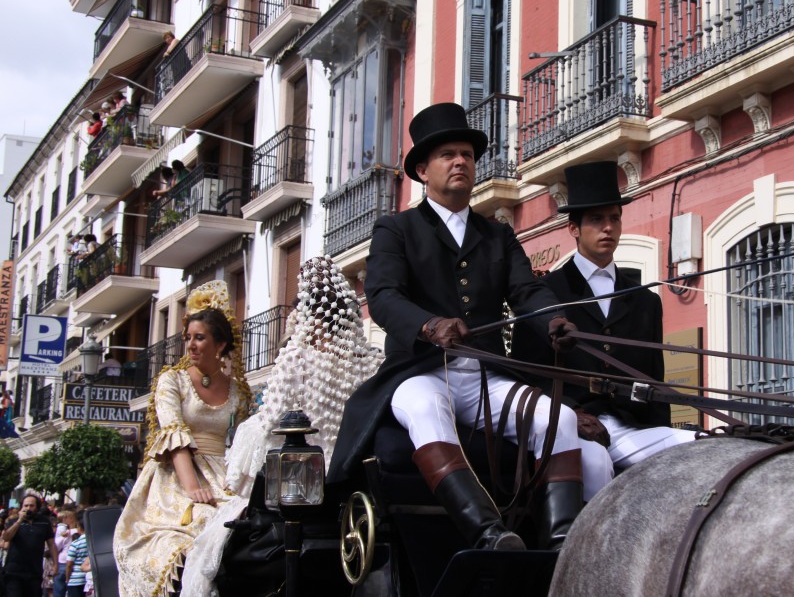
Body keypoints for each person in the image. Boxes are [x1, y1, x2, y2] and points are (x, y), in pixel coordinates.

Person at [328, 102, 583, 551]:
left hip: (486, 374)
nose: (461, 161)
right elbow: (383, 297)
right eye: (448, 154)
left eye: (466, 153)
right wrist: (428, 326)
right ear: (423, 170)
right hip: (418, 372)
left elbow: (526, 292)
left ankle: (562, 544)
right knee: (426, 408)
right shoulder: (396, 229)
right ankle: (487, 534)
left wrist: (554, 320)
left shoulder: (497, 234)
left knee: (558, 419)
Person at [181, 257, 380, 596]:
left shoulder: (298, 359)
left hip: (299, 490)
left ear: (307, 317)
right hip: (355, 493)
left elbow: (270, 426)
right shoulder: (374, 362)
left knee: (206, 544)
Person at [511, 161, 696, 501]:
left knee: (700, 447)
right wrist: (569, 413)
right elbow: (527, 376)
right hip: (574, 427)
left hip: (634, 426)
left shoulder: (645, 302)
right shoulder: (545, 295)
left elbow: (654, 379)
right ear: (574, 229)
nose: (608, 228)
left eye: (614, 218)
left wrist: (662, 426)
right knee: (594, 463)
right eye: (596, 220)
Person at [112, 281, 252, 597]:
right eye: (188, 337)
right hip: (176, 476)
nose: (190, 345)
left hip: (222, 473)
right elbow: (174, 434)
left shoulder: (238, 392)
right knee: (197, 525)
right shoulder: (170, 382)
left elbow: (242, 443)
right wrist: (192, 489)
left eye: (199, 338)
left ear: (219, 345)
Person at [1, 493, 59, 597]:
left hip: (34, 571)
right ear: (22, 506)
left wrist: (55, 564)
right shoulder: (13, 521)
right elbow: (6, 537)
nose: (28, 508)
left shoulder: (44, 522)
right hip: (14, 571)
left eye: (32, 506)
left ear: (37, 507)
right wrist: (19, 521)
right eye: (26, 505)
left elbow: (52, 545)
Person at [52, 509, 79, 597]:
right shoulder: (79, 531)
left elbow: (56, 546)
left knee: (59, 590)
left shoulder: (65, 532)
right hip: (76, 563)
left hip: (63, 562)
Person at [62, 509, 89, 597]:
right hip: (88, 579)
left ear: (79, 527)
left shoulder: (75, 544)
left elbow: (69, 564)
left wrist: (67, 578)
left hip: (75, 580)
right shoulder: (94, 543)